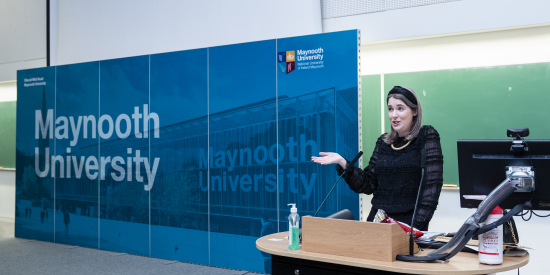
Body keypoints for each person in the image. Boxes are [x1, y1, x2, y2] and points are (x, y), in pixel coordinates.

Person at [312, 86, 443, 231]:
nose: (394, 115)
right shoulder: (383, 142)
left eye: (400, 108)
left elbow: (431, 188)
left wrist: (414, 230)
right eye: (390, 109)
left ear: (414, 111)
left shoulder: (427, 135)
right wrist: (343, 162)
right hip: (377, 222)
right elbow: (368, 185)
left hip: (408, 225)